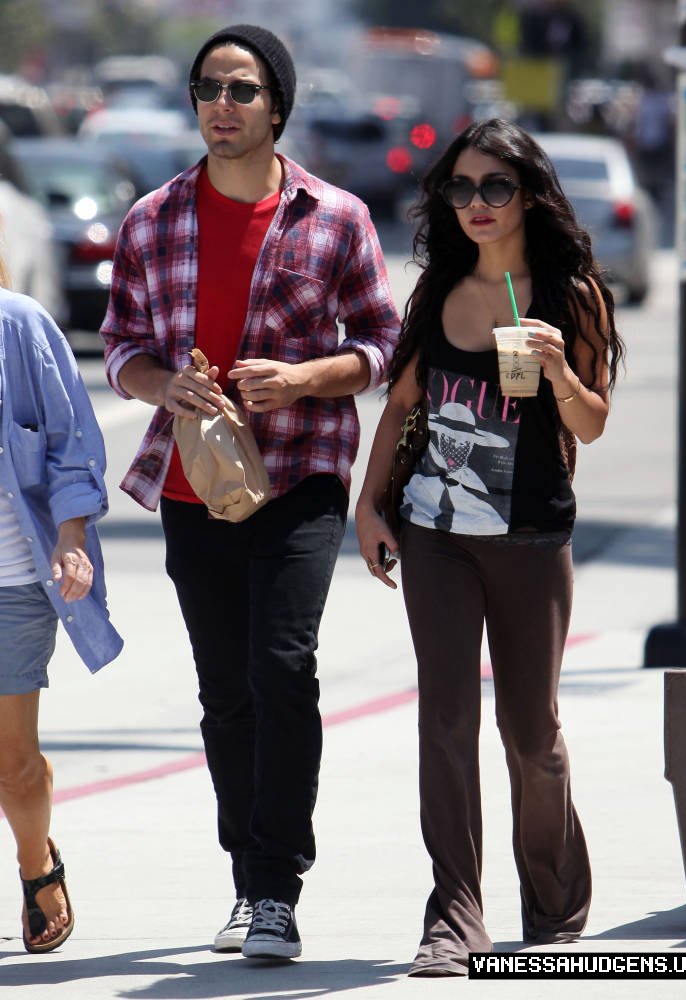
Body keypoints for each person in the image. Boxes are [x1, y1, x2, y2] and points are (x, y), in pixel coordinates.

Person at [100, 24, 399, 961]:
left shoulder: (336, 216)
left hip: (303, 474)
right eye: (206, 89)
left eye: (239, 89)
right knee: (225, 694)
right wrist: (163, 385)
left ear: (278, 105)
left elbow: (385, 345)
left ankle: (275, 889)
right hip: (195, 483)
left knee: (282, 666)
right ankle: (245, 879)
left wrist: (308, 378)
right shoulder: (151, 219)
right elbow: (119, 348)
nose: (218, 106)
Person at [356, 118, 624, 976]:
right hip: (437, 534)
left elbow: (591, 420)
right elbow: (401, 406)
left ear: (528, 196)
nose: (475, 204)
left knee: (530, 729)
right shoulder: (437, 291)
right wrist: (371, 505)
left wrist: (558, 371)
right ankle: (454, 917)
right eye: (460, 188)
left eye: (495, 188)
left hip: (530, 533)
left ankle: (552, 903)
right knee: (444, 720)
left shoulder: (570, 293)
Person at [0, 262, 123, 953]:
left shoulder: (18, 326)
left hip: (12, 579)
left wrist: (72, 536)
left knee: (13, 766)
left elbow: (72, 443)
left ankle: (33, 860)